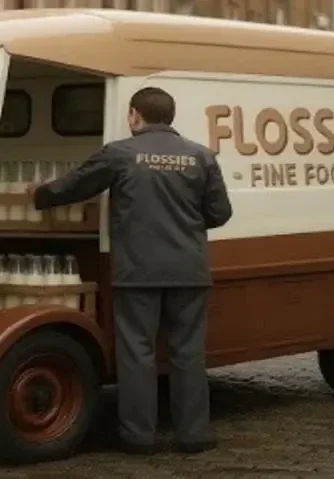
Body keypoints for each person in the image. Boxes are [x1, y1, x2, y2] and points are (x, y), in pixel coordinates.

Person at [27, 87, 232, 455]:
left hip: (138, 272)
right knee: (188, 353)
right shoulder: (201, 156)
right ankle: (194, 435)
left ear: (135, 115)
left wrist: (41, 195)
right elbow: (220, 214)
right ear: (170, 116)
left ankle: (139, 437)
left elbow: (76, 184)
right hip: (188, 270)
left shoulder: (120, 153)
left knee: (137, 354)